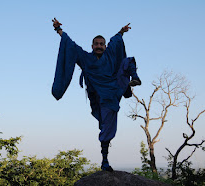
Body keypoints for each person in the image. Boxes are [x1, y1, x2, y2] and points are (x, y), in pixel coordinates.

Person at [51, 18, 141, 171]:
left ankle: (134, 79)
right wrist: (58, 30)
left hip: (113, 90)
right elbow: (71, 45)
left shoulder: (110, 55)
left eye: (101, 44)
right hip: (100, 96)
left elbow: (115, 42)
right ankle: (105, 160)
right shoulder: (86, 58)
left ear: (105, 46)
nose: (99, 46)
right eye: (96, 44)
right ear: (92, 46)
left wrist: (121, 31)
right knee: (105, 126)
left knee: (127, 60)